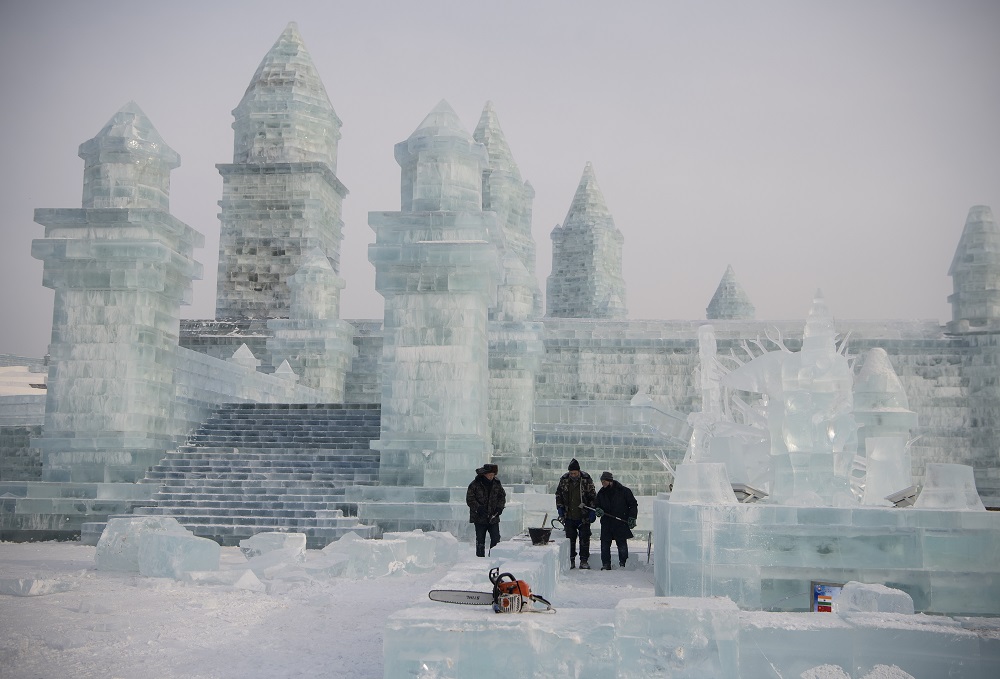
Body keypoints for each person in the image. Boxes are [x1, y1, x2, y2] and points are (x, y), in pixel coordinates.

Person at [554, 458, 597, 569]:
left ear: (578, 471)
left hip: (583, 515)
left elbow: (592, 496)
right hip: (569, 515)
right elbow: (558, 494)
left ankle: (584, 560)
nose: (572, 475)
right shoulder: (564, 479)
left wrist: (592, 510)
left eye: (574, 473)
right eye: (571, 473)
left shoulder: (586, 479)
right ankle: (571, 560)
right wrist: (560, 508)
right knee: (570, 539)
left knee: (584, 539)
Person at [594, 471, 638, 570]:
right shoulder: (601, 493)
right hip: (606, 522)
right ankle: (606, 564)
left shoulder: (624, 491)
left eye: (604, 481)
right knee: (605, 545)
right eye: (602, 482)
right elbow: (596, 505)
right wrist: (598, 510)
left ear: (610, 481)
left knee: (622, 544)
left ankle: (624, 564)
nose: (603, 484)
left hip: (620, 522)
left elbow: (633, 505)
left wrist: (632, 517)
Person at [467, 463, 505, 557]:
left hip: (493, 517)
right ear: (484, 474)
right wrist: (478, 508)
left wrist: (500, 507)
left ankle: (493, 557)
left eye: (493, 475)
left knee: (496, 538)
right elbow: (470, 499)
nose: (491, 477)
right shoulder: (475, 484)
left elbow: (502, 496)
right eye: (489, 475)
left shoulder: (497, 483)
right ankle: (480, 559)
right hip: (479, 517)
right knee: (480, 540)